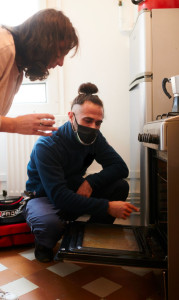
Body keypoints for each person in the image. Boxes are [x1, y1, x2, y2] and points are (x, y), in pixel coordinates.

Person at [24, 82, 139, 263]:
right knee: (50, 224)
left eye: (98, 122)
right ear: (71, 117)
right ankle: (44, 243)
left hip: (72, 188)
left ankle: (89, 235)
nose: (93, 127)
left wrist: (90, 182)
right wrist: (107, 207)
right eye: (87, 120)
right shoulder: (47, 145)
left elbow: (120, 167)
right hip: (44, 196)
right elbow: (59, 196)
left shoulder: (95, 138)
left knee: (120, 187)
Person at [0, 8, 78, 136]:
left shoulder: (17, 68)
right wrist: (15, 124)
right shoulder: (3, 47)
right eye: (59, 55)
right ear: (43, 44)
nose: (61, 63)